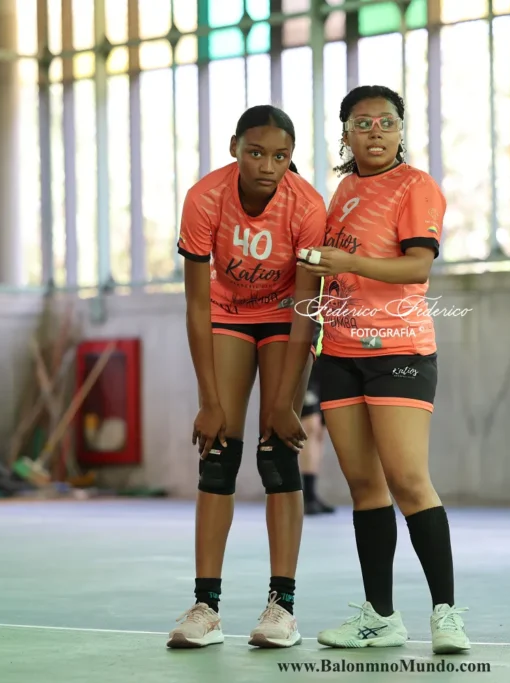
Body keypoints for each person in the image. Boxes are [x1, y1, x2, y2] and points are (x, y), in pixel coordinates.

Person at [268, 85, 471, 655]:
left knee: (408, 479)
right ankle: (380, 616)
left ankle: (446, 614)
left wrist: (348, 261)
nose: (375, 132)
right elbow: (325, 272)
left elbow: (417, 266)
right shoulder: (343, 192)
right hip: (340, 354)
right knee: (364, 486)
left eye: (386, 122)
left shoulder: (415, 186)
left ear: (401, 130)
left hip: (399, 352)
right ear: (346, 134)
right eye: (363, 123)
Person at [168, 105, 325, 650]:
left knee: (277, 452)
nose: (267, 166)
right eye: (256, 153)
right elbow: (196, 306)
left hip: (285, 318)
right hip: (228, 315)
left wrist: (288, 400)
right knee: (218, 453)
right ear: (235, 147)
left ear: (291, 157)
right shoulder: (204, 198)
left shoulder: (307, 206)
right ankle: (205, 609)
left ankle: (282, 608)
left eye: (280, 156)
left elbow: (307, 307)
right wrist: (209, 401)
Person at [299, 356, 335, 515]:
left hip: (329, 361)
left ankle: (311, 493)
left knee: (320, 430)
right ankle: (307, 495)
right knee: (310, 426)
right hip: (307, 359)